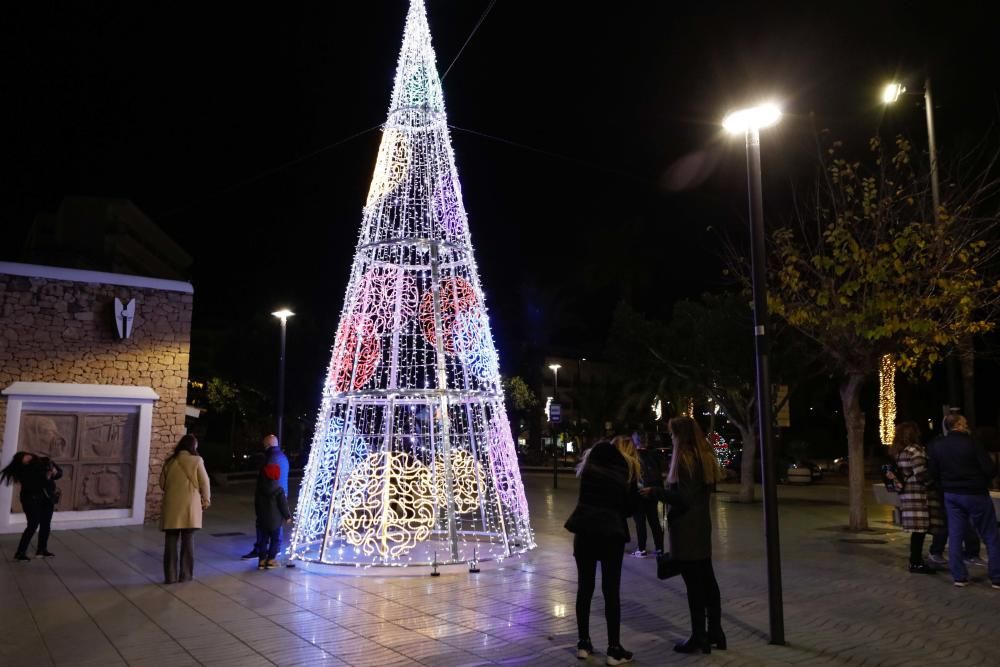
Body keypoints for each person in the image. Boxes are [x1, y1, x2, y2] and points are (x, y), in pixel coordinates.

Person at [642, 416, 724, 654]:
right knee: (708, 580)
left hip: (686, 530)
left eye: (672, 434)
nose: (670, 437)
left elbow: (684, 498)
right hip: (701, 527)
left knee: (694, 585)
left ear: (681, 435)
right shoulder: (705, 457)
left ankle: (699, 636)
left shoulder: (685, 459)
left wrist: (655, 492)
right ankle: (715, 632)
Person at [565, 436, 639, 665]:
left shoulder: (589, 467)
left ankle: (583, 643)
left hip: (584, 532)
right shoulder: (625, 470)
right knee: (610, 591)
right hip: (610, 534)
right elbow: (630, 507)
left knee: (584, 588)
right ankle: (613, 649)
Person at [927, 413, 1000, 588]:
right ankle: (996, 576)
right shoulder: (972, 444)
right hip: (975, 493)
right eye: (965, 423)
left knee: (955, 534)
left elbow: (933, 472)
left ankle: (959, 576)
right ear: (959, 424)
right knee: (990, 535)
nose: (967, 426)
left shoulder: (937, 446)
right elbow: (989, 469)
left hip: (952, 494)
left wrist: (944, 485)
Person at [890, 422, 944, 574]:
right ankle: (916, 562)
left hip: (908, 495)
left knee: (917, 531)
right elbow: (921, 472)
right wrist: (932, 482)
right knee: (919, 530)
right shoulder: (915, 450)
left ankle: (916, 560)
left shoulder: (900, 452)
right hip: (919, 496)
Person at [159, 435, 211, 584]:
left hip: (171, 506)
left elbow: (162, 484)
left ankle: (170, 576)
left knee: (170, 542)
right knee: (188, 541)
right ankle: (186, 575)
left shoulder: (169, 462)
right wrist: (206, 499)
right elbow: (205, 482)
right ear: (192, 446)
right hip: (190, 506)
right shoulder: (197, 461)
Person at [1, 451, 62, 561]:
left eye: (28, 457)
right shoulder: (22, 471)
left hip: (47, 499)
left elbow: (59, 473)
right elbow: (34, 485)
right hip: (31, 500)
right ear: (20, 462)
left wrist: (55, 472)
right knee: (33, 525)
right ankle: (20, 553)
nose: (28, 459)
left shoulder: (45, 461)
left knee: (46, 524)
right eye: (25, 460)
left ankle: (42, 550)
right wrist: (47, 476)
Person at [242, 434, 290, 560]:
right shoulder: (283, 457)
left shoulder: (270, 458)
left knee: (263, 526)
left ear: (267, 444)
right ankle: (273, 550)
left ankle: (264, 552)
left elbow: (267, 479)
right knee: (276, 524)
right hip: (280, 493)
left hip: (269, 497)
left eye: (264, 444)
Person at [630, 431, 665, 557]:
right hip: (653, 491)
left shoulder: (634, 456)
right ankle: (660, 548)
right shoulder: (654, 454)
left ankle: (641, 548)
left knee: (640, 521)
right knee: (654, 519)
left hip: (640, 492)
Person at [254, 463, 292, 570]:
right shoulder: (279, 490)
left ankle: (261, 561)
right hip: (275, 521)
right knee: (276, 540)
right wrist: (287, 516)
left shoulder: (260, 489)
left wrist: (258, 515)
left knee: (263, 540)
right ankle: (270, 560)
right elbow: (283, 505)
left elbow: (256, 503)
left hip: (262, 520)